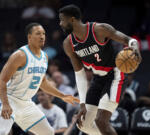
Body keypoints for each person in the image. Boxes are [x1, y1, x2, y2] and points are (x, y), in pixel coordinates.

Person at [59, 4, 142, 135]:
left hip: (115, 75)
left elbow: (128, 39)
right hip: (97, 79)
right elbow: (79, 74)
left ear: (72, 20)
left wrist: (135, 47)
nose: (60, 24)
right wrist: (82, 103)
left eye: (62, 20)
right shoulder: (68, 44)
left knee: (101, 121)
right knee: (83, 124)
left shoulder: (99, 29)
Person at [0, 22, 79, 135]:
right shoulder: (20, 55)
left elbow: (43, 83)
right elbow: (1, 80)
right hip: (9, 99)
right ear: (29, 37)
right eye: (38, 33)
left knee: (48, 132)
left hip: (25, 103)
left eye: (43, 33)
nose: (42, 36)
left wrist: (62, 96)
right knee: (2, 132)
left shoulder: (44, 57)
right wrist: (5, 103)